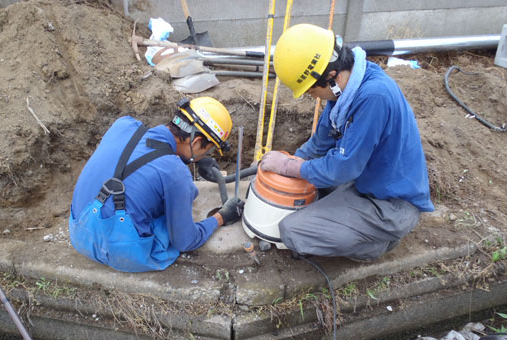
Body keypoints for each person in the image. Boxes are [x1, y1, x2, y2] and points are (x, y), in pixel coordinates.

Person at [261, 24, 434, 262]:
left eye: (311, 92)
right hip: (365, 181)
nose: (313, 97)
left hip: (389, 205)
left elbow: (342, 168)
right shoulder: (345, 90)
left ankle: (376, 244)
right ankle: (349, 220)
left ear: (331, 76)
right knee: (312, 187)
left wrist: (290, 167)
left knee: (293, 231)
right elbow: (319, 145)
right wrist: (288, 164)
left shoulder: (374, 96)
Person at [69, 97, 244, 272]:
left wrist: (192, 161)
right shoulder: (174, 173)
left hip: (78, 231)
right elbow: (186, 241)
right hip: (120, 253)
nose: (205, 155)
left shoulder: (123, 125)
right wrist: (221, 217)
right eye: (207, 150)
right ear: (196, 142)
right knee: (172, 221)